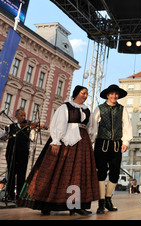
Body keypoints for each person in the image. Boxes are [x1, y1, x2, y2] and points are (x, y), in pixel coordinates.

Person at [17, 86, 99, 215]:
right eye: (83, 93)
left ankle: (76, 206)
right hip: (65, 141)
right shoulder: (65, 107)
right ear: (76, 94)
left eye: (87, 94)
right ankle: (47, 203)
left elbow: (91, 128)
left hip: (82, 143)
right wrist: (56, 141)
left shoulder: (86, 110)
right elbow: (58, 123)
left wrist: (89, 142)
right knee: (55, 172)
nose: (85, 95)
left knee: (78, 174)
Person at [90, 84, 132, 214]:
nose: (114, 96)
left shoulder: (122, 109)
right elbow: (92, 126)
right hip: (101, 144)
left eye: (116, 94)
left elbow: (127, 126)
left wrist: (125, 142)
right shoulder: (99, 108)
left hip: (116, 145)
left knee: (114, 173)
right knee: (101, 172)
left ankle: (108, 199)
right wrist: (91, 141)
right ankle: (101, 202)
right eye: (112, 94)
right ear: (107, 95)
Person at [4, 109, 32, 201]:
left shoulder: (28, 127)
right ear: (16, 116)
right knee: (11, 174)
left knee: (21, 175)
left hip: (23, 154)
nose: (23, 117)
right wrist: (4, 137)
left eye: (24, 115)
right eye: (21, 115)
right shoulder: (10, 127)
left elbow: (32, 139)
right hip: (12, 153)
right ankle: (10, 195)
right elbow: (2, 135)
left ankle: (20, 196)